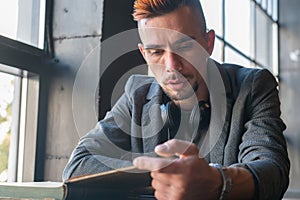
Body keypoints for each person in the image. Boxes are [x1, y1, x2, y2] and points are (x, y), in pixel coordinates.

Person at [63, 0, 290, 199]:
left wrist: (216, 181)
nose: (172, 66)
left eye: (185, 46)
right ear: (144, 54)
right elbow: (78, 165)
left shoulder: (252, 86)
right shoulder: (137, 94)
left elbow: (272, 171)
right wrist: (165, 173)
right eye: (156, 52)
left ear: (208, 43)